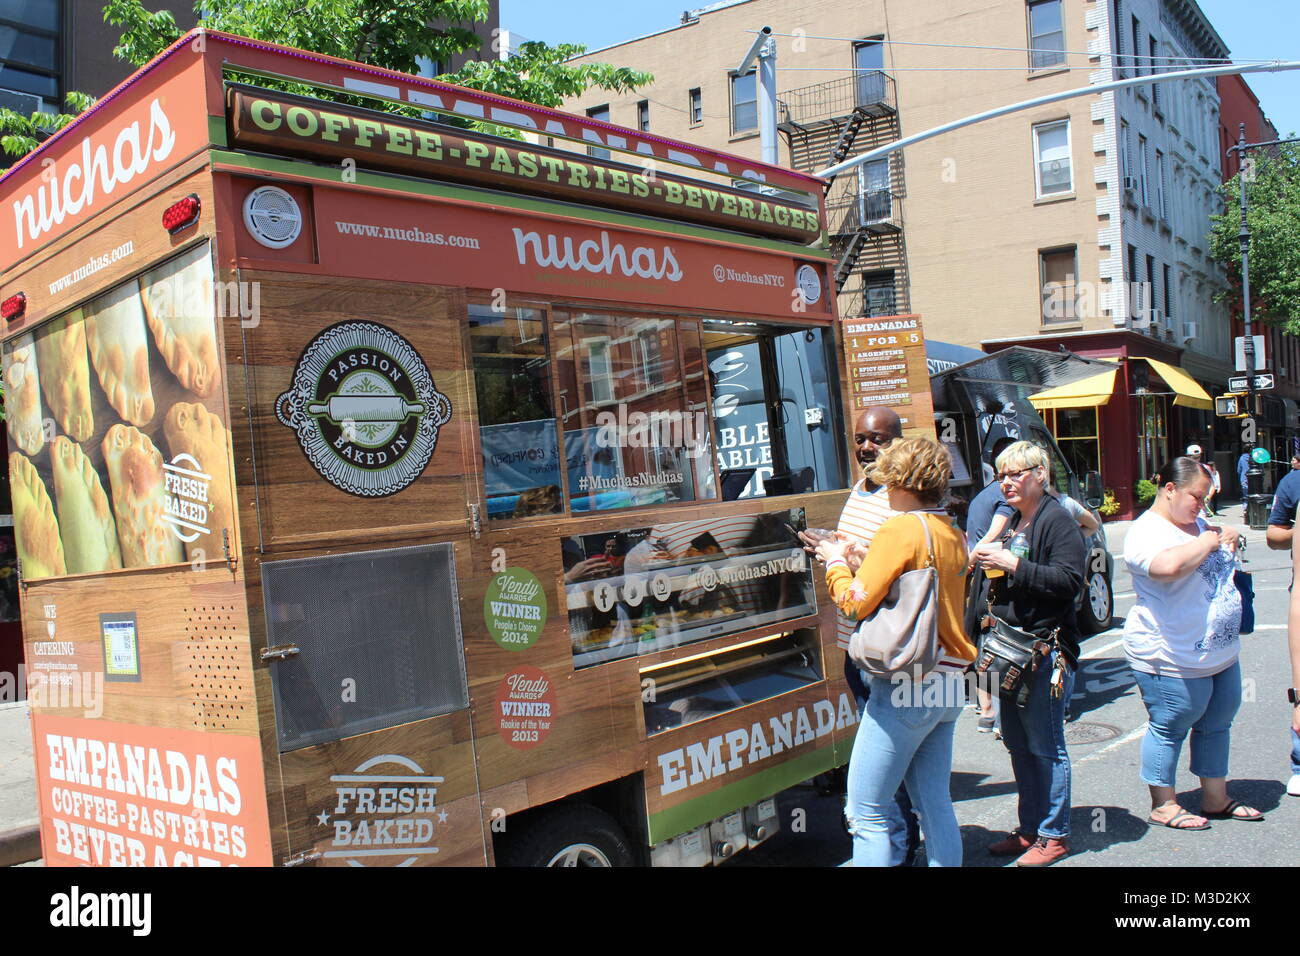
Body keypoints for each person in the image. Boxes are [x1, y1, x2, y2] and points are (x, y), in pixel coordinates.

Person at [815, 437, 977, 867]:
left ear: (904, 482)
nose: (884, 490)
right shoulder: (950, 530)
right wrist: (864, 556)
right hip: (950, 679)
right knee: (935, 804)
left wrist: (834, 559)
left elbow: (853, 601)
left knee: (865, 811)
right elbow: (922, 576)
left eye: (888, 481)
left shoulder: (899, 527)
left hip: (909, 683)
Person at [799, 404, 919, 864]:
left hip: (887, 651)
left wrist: (842, 557)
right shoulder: (861, 488)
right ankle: (894, 847)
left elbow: (900, 571)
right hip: (855, 645)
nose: (867, 448)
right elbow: (859, 552)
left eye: (879, 439)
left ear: (899, 442)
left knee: (887, 769)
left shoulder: (903, 496)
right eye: (861, 439)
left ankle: (898, 851)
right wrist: (828, 542)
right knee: (882, 765)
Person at [1122, 456, 1262, 830]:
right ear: (1169, 489)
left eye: (1205, 498)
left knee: (1218, 722)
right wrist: (1210, 540)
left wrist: (1226, 535)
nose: (1202, 505)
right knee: (1171, 723)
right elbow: (1168, 567)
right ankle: (1163, 804)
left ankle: (1216, 797)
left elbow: (1217, 544)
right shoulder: (1145, 531)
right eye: (1196, 497)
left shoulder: (1200, 524)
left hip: (1219, 651)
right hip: (1169, 654)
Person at [968, 441, 1085, 866]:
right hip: (1007, 651)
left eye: (1017, 473)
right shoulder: (1015, 519)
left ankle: (1054, 836)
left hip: (1043, 651)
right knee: (1017, 744)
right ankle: (1030, 828)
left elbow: (1071, 581)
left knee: (1046, 745)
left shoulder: (1057, 520)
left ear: (1041, 473)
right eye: (1002, 475)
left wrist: (1012, 564)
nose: (1008, 481)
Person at [964, 437, 1017, 734]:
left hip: (982, 575)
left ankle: (986, 709)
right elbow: (993, 535)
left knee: (983, 637)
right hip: (989, 575)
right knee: (992, 639)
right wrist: (970, 562)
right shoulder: (1003, 495)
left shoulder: (991, 492)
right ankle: (992, 712)